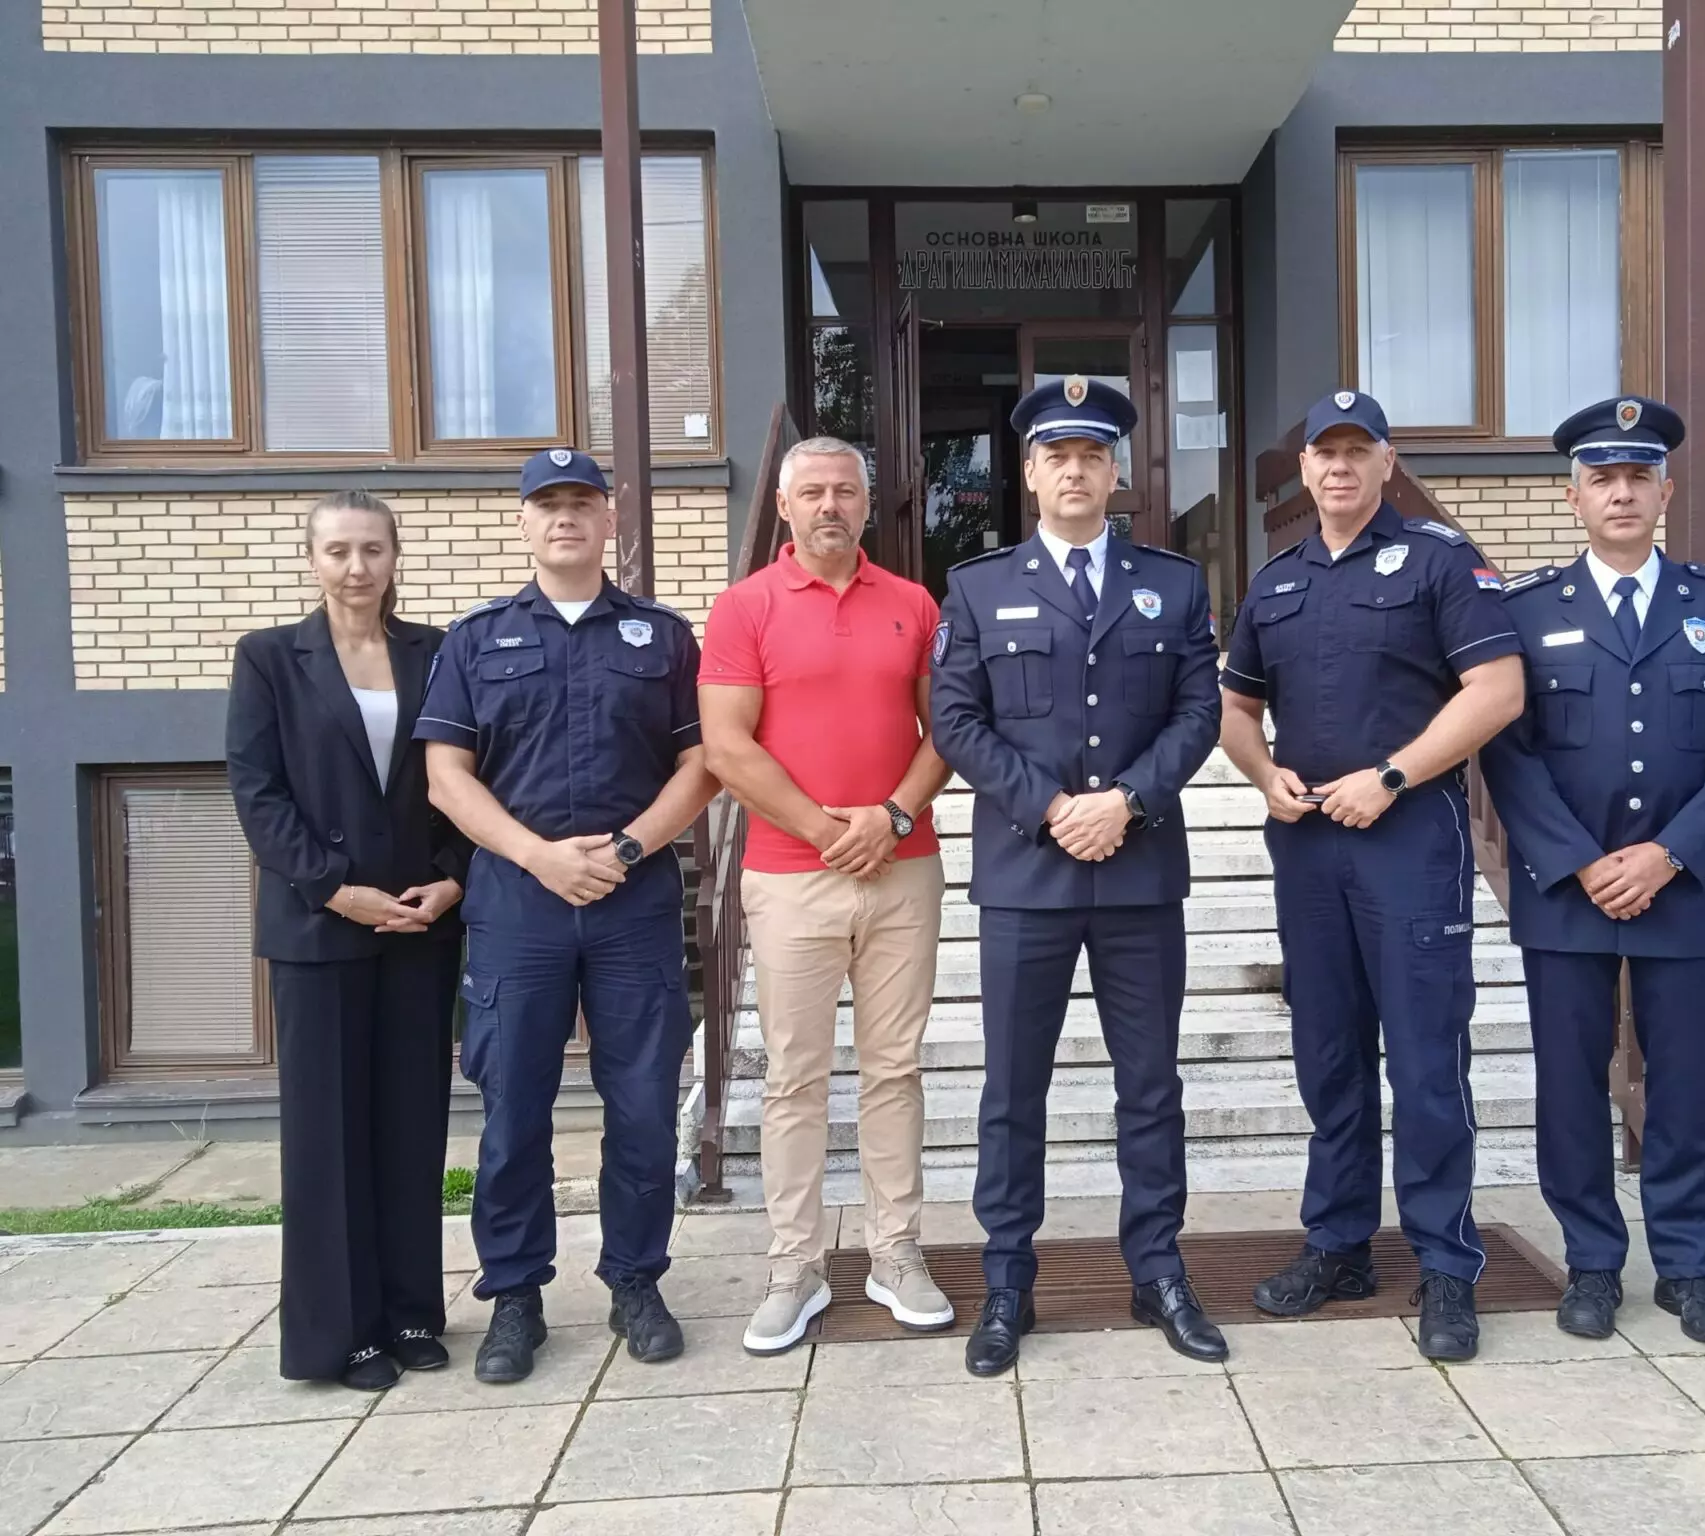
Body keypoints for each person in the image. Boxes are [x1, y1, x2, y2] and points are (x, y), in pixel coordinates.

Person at [1220, 390, 1524, 1362]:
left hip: (1409, 845)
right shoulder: (1275, 581)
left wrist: (1392, 775)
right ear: (1305, 469)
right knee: (1329, 1057)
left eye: (1359, 451)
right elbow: (1234, 708)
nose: (1341, 467)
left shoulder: (1440, 562)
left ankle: (1446, 1265)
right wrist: (1263, 774)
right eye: (1326, 452)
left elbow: (1497, 690)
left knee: (1426, 1063)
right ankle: (1338, 1245)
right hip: (1309, 849)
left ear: (1386, 463)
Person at [931, 375, 1224, 1376]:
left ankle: (1159, 1271)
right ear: (1027, 473)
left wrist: (1127, 802)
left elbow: (1198, 712)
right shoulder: (979, 587)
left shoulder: (1173, 584)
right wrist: (1053, 807)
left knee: (1150, 1086)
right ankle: (1007, 1281)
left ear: (1115, 473)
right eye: (1056, 455)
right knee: (1013, 1090)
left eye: (1091, 455)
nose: (1074, 471)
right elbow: (954, 719)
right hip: (1027, 875)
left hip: (1140, 874)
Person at [1479, 397, 1705, 1346]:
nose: (1621, 493)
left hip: (1684, 888)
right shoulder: (1527, 610)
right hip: (1567, 893)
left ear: (1665, 492)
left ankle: (1690, 1268)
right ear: (1573, 498)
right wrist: (1577, 861)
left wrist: (1668, 854)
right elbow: (1508, 750)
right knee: (1569, 1088)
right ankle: (1592, 1264)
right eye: (1601, 478)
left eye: (1637, 477)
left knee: (1687, 1088)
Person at [416, 448, 718, 1384]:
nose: (565, 519)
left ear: (608, 518)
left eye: (582, 502)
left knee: (643, 1107)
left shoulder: (662, 637)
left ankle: (636, 1280)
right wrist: (539, 857)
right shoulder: (477, 639)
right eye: (547, 505)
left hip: (634, 904)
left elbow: (703, 764)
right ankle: (515, 1296)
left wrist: (626, 850)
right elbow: (445, 777)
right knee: (514, 1110)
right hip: (518, 905)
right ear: (523, 522)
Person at [698, 437, 955, 1355]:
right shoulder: (744, 607)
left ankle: (895, 1251)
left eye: (845, 490)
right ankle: (794, 1267)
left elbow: (947, 727)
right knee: (795, 1078)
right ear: (783, 505)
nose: (830, 505)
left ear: (867, 503)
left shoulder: (914, 604)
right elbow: (727, 746)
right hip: (789, 875)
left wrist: (891, 816)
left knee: (894, 1070)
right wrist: (826, 830)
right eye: (812, 492)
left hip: (903, 868)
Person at [226, 490, 469, 1391]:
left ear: (395, 557)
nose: (356, 567)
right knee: (328, 1137)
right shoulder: (268, 658)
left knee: (410, 1125)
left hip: (416, 918)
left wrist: (453, 876)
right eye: (338, 551)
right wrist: (335, 889)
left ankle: (410, 1313)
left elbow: (468, 773)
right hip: (319, 925)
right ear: (313, 560)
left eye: (372, 549)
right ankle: (345, 1335)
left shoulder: (436, 653)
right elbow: (257, 791)